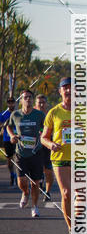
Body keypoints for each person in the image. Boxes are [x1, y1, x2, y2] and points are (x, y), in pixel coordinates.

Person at [41, 77, 73, 234]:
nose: (68, 90)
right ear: (60, 91)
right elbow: (43, 137)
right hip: (60, 158)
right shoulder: (53, 112)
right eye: (65, 88)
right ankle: (71, 229)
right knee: (66, 194)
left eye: (71, 87)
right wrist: (51, 144)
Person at [7, 90, 45, 218]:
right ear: (21, 100)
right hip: (20, 153)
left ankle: (34, 207)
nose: (27, 99)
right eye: (25, 97)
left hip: (36, 152)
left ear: (32, 100)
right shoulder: (15, 114)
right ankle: (25, 192)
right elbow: (8, 126)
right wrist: (12, 136)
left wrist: (42, 134)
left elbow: (46, 127)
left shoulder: (39, 114)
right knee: (22, 181)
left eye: (30, 97)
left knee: (36, 182)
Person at [34, 94, 54, 200]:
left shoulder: (50, 114)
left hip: (48, 145)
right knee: (38, 169)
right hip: (35, 146)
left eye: (43, 102)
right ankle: (40, 181)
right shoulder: (32, 114)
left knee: (49, 171)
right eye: (39, 103)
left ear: (46, 104)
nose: (41, 105)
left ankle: (48, 191)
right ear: (35, 104)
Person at [1, 96, 18, 186]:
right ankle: (12, 175)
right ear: (7, 104)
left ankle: (20, 176)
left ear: (15, 103)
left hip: (17, 139)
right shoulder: (3, 114)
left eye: (12, 102)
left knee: (19, 159)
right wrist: (5, 124)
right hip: (7, 139)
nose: (11, 104)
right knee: (10, 160)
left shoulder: (18, 113)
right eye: (9, 102)